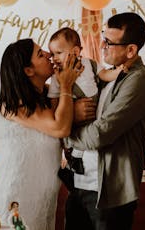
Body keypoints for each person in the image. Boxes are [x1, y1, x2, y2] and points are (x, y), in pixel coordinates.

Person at [64, 12, 145, 230]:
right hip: (79, 186)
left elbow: (100, 134)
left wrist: (64, 135)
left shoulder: (139, 81)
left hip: (110, 194)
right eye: (103, 38)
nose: (102, 45)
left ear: (131, 50)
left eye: (109, 42)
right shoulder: (105, 76)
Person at [0, 38, 83, 230]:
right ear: (28, 70)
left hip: (42, 198)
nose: (49, 55)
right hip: (14, 196)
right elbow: (60, 128)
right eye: (40, 54)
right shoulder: (12, 104)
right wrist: (66, 87)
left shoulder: (48, 97)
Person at [48, 27, 123, 175]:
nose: (54, 58)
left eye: (58, 53)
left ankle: (80, 163)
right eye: (52, 54)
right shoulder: (57, 77)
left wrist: (118, 72)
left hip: (94, 113)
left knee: (92, 135)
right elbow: (54, 100)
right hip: (74, 116)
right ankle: (72, 162)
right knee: (75, 138)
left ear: (75, 52)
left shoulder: (90, 64)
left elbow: (104, 74)